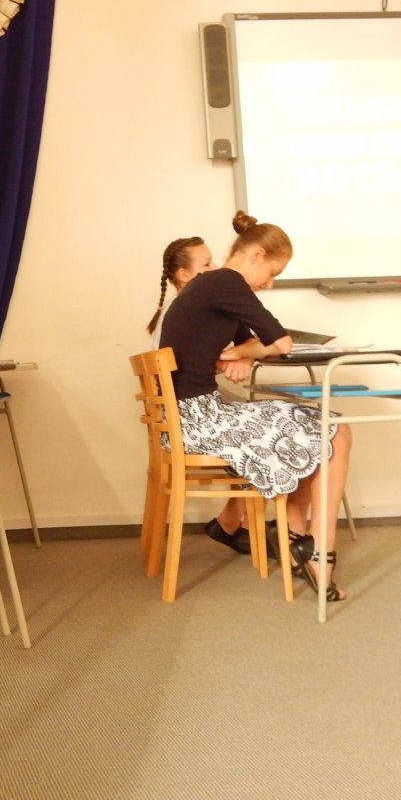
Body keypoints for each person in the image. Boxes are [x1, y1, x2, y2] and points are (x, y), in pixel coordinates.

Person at [158, 211, 354, 601]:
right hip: (200, 419)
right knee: (334, 429)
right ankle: (318, 549)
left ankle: (298, 538)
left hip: (188, 415)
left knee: (310, 427)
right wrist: (251, 351)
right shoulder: (226, 282)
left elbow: (246, 342)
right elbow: (280, 343)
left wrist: (243, 353)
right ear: (257, 255)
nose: (270, 283)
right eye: (273, 272)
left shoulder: (211, 288)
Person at [147, 235, 272, 560]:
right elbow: (196, 368)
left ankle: (235, 522)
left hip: (186, 413)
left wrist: (242, 355)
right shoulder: (185, 311)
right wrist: (240, 354)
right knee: (268, 430)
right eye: (206, 264)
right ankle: (243, 523)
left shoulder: (196, 308)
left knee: (257, 418)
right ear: (183, 274)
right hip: (188, 419)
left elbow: (224, 351)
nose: (215, 268)